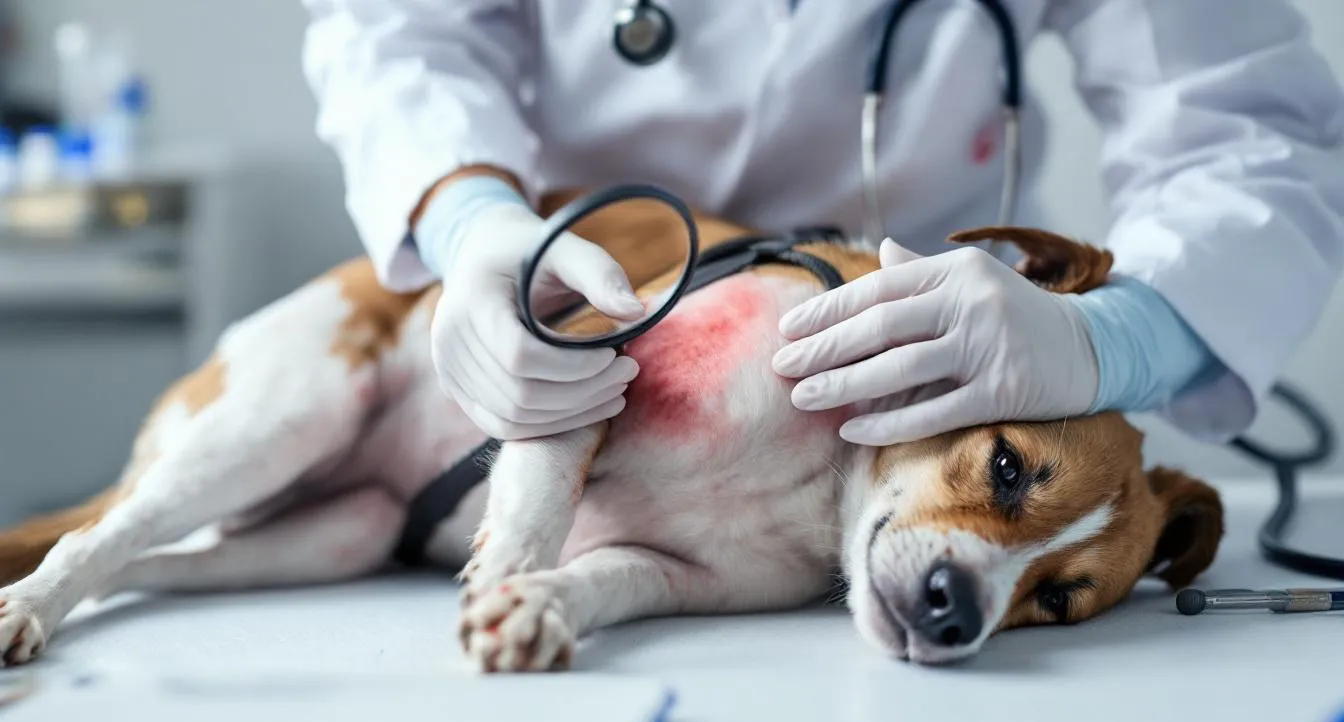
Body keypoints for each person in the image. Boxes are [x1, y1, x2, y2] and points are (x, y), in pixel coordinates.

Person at [300, 1, 1344, 447]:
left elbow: (1246, 125)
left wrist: (1118, 336)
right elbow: (400, 30)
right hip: (576, 312)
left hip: (921, 385)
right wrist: (467, 214)